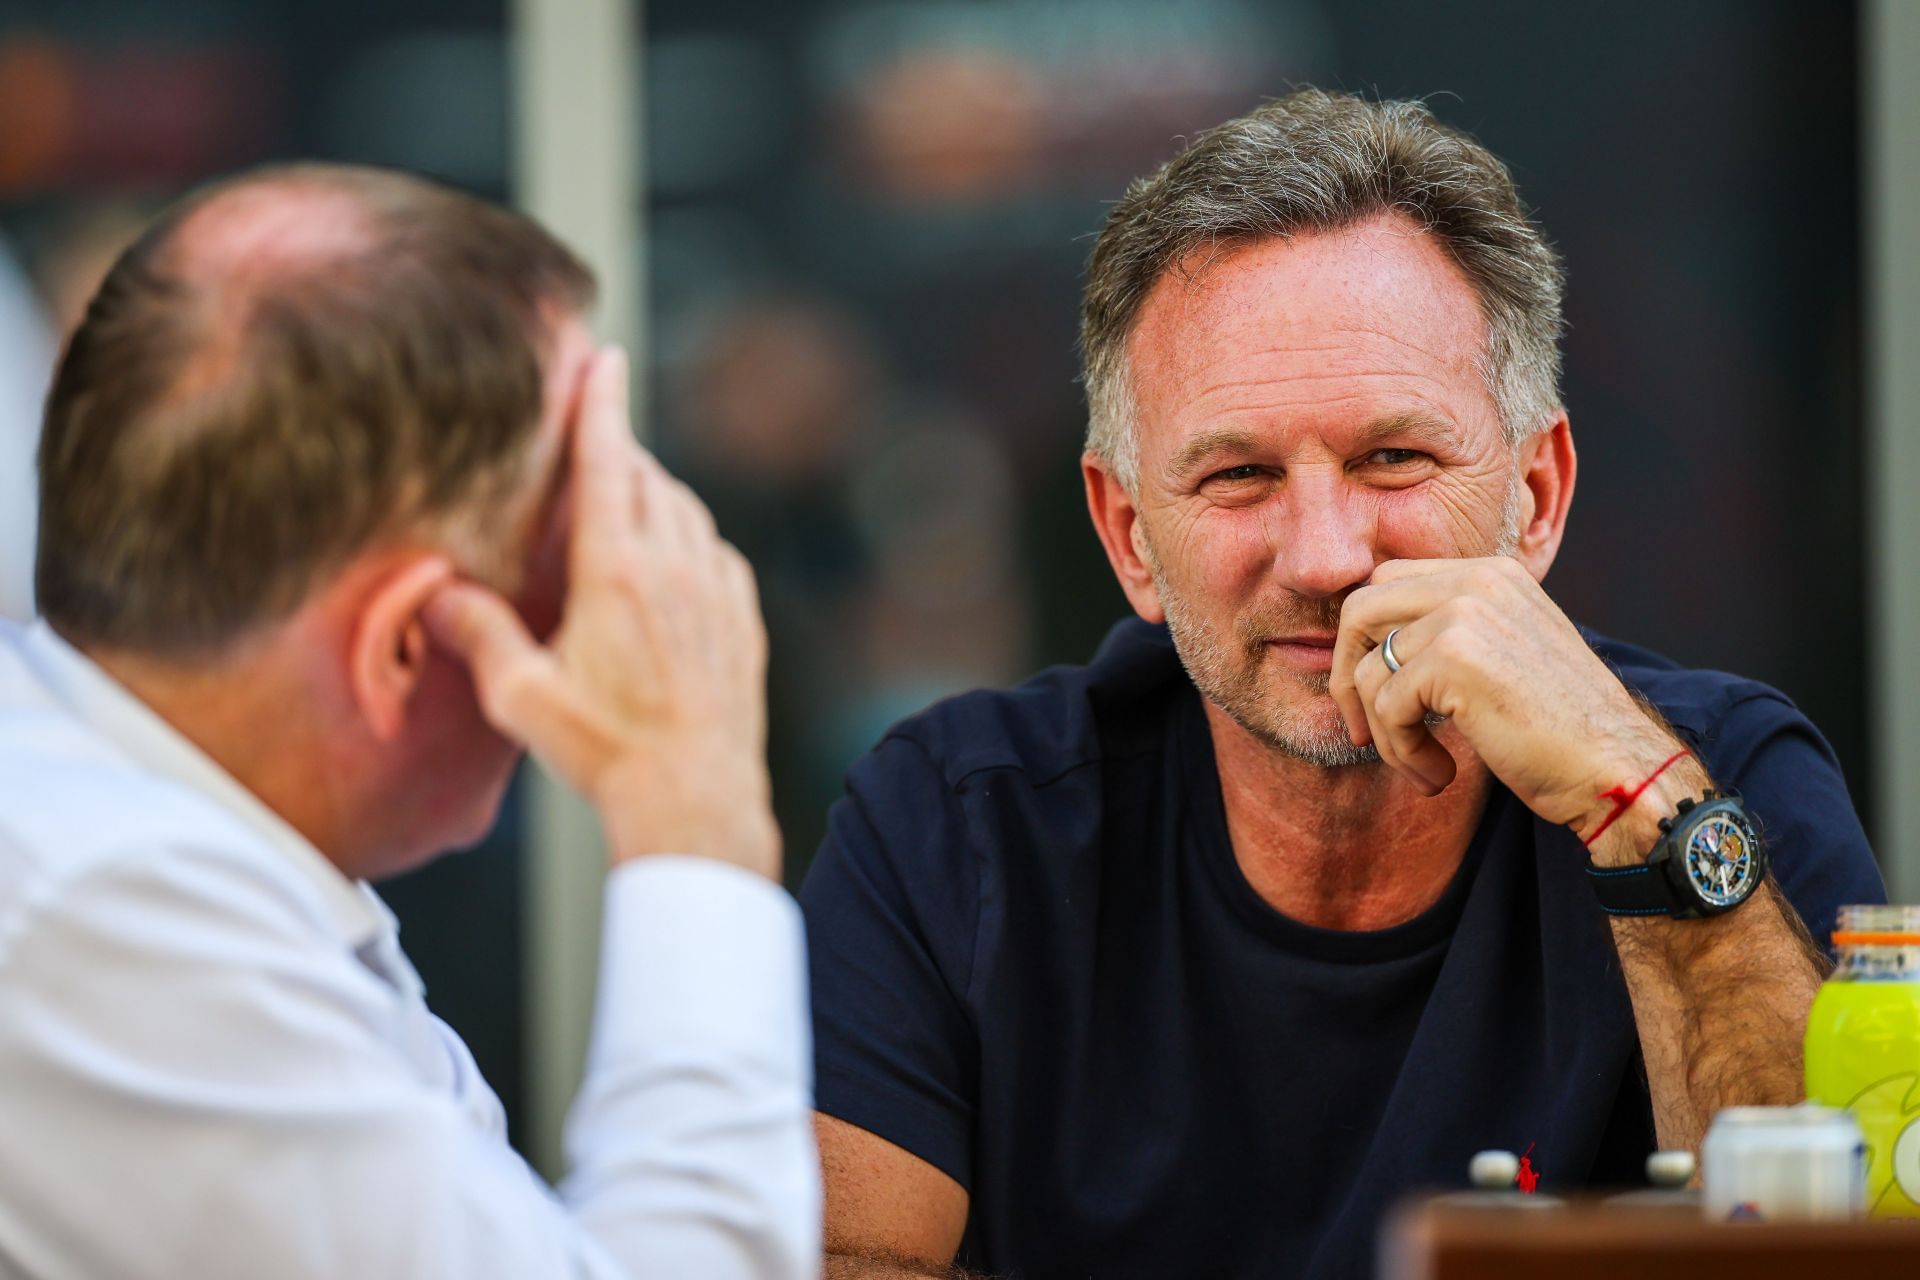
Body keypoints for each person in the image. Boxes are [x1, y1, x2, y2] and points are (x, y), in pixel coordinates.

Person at [801, 90, 1886, 1279]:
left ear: (1537, 497)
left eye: (1393, 457)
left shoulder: (1723, 777)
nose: (1324, 557)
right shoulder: (956, 823)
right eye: (1238, 474)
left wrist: (1639, 801)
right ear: (1127, 534)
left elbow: (1830, 1255)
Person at [0, 164, 817, 1278]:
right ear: (400, 645)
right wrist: (693, 819)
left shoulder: (111, 826)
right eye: (584, 548)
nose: (641, 595)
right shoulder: (110, 912)